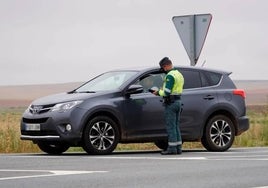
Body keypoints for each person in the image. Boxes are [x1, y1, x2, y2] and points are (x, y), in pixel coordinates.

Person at [153, 57, 184, 155]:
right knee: (176, 126)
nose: (163, 70)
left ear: (166, 66)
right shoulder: (179, 74)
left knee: (170, 126)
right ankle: (178, 148)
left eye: (163, 68)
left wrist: (158, 92)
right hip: (178, 101)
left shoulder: (170, 76)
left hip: (171, 103)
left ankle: (172, 148)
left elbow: (166, 92)